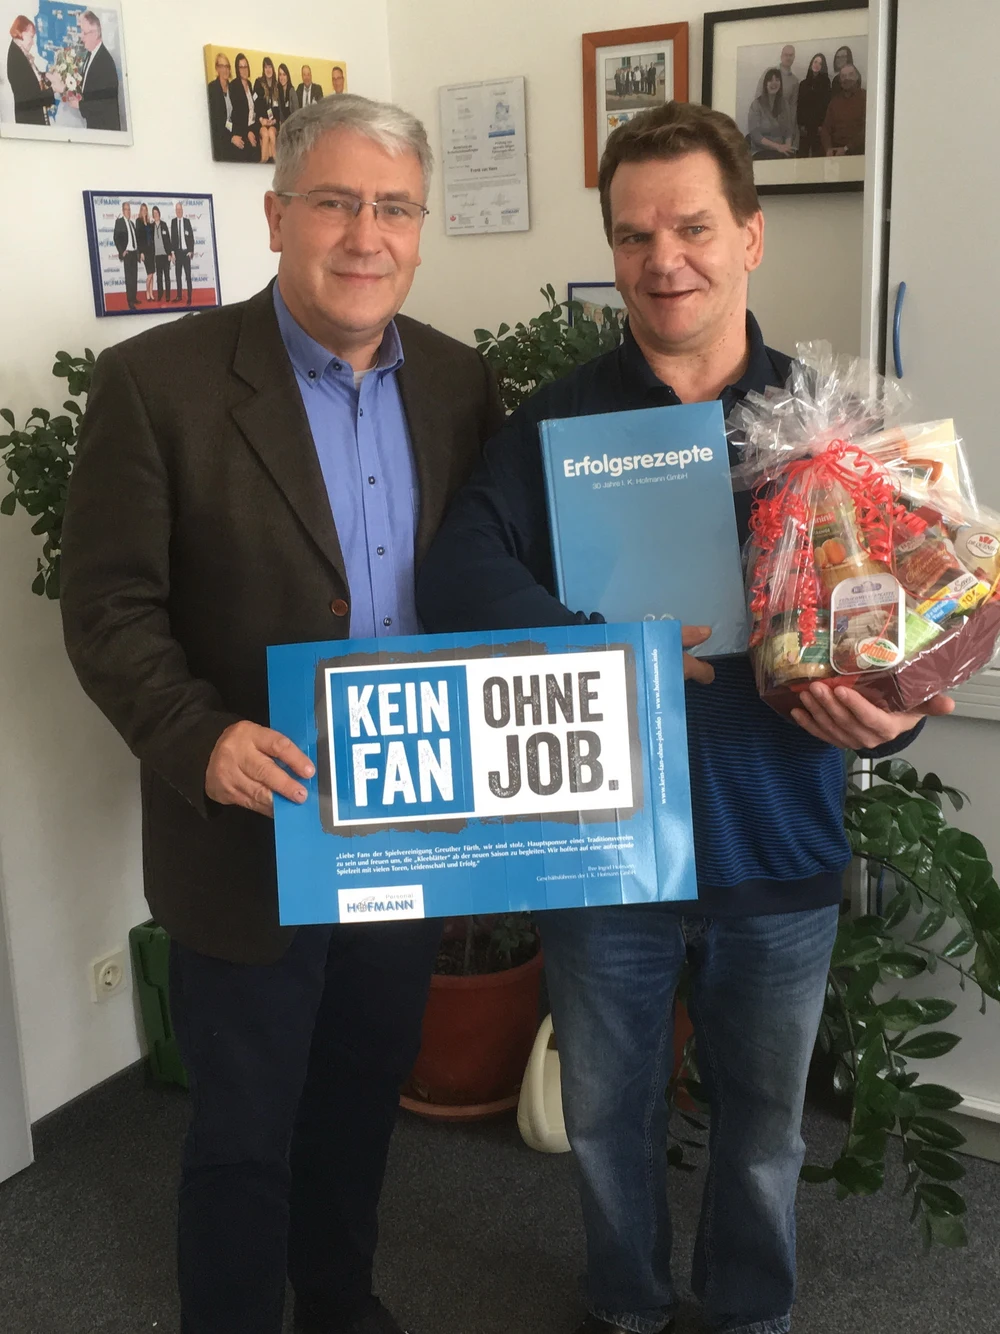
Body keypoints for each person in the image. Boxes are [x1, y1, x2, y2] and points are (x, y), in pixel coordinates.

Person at [415, 99, 954, 1334]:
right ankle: (626, 1305)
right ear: (612, 247)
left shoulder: (829, 431)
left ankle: (751, 1309)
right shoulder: (558, 421)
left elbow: (900, 624)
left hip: (776, 842)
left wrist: (894, 718)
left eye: (694, 227)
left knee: (763, 1131)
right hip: (604, 846)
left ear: (749, 236)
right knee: (608, 1119)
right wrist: (601, 644)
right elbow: (457, 574)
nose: (664, 260)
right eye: (634, 234)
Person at [59, 92, 504, 1334]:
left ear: (420, 228)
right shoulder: (156, 384)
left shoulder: (459, 382)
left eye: (395, 208)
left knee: (359, 1094)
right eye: (337, 202)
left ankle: (339, 1297)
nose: (367, 235)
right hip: (248, 831)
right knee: (244, 1127)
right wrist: (200, 738)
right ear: (275, 215)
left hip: (405, 826)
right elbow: (107, 608)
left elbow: (494, 570)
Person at [66, 9, 121, 132]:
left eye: (84, 33)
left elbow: (105, 103)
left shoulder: (105, 62)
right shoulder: (91, 55)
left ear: (95, 34)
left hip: (105, 131)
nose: (81, 36)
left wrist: (80, 105)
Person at [6, 16, 55, 125]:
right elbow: (32, 100)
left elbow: (30, 78)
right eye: (31, 37)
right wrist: (54, 90)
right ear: (22, 34)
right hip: (30, 120)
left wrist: (46, 75)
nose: (33, 42)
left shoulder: (18, 51)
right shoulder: (17, 59)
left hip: (30, 118)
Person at [747, 67, 794, 159]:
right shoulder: (756, 104)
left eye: (777, 80)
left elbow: (788, 131)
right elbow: (755, 135)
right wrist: (777, 147)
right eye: (770, 80)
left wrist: (787, 147)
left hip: (781, 150)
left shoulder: (784, 104)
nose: (774, 83)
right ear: (765, 84)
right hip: (761, 150)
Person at [820, 63, 866, 156]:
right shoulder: (835, 101)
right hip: (836, 152)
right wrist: (828, 148)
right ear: (840, 80)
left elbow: (867, 130)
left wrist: (846, 148)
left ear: (857, 77)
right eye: (843, 76)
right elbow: (826, 128)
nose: (847, 79)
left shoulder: (866, 98)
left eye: (850, 75)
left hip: (858, 152)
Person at [207, 51, 243, 161]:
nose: (225, 69)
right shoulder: (212, 89)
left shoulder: (232, 88)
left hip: (233, 132)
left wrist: (237, 135)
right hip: (221, 138)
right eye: (222, 66)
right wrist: (231, 138)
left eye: (227, 66)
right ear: (217, 68)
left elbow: (236, 115)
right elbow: (215, 121)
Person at [796, 52, 831, 158]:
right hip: (805, 126)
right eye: (815, 62)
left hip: (819, 126)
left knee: (818, 155)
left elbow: (825, 105)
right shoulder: (803, 84)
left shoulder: (826, 83)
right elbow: (800, 105)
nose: (817, 65)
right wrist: (801, 124)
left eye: (820, 63)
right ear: (811, 63)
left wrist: (822, 125)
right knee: (802, 155)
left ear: (823, 67)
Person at [112, 201, 139, 311]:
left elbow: (135, 239)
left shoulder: (132, 223)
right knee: (129, 278)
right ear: (123, 211)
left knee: (134, 277)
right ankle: (130, 301)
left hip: (134, 253)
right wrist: (121, 251)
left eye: (129, 209)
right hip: (127, 254)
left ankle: (134, 297)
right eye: (126, 209)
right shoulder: (119, 222)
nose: (128, 211)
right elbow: (116, 238)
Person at [255, 56, 280, 163]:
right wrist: (261, 120)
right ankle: (263, 161)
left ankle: (275, 160)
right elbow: (255, 104)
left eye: (270, 67)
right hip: (261, 122)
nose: (268, 70)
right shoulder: (258, 82)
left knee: (271, 133)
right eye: (266, 67)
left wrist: (274, 121)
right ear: (263, 69)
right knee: (265, 134)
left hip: (274, 122)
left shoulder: (277, 85)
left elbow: (279, 109)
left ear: (273, 68)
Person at [171, 202, 194, 306]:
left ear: (182, 210)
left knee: (188, 276)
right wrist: (172, 253)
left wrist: (190, 251)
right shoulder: (173, 222)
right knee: (178, 276)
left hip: (186, 253)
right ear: (175, 211)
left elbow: (191, 237)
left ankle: (189, 297)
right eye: (177, 210)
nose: (179, 211)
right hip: (177, 253)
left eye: (180, 209)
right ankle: (179, 296)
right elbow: (173, 239)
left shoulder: (187, 222)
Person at [150, 204, 172, 302]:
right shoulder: (151, 227)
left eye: (157, 213)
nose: (156, 215)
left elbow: (168, 239)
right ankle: (160, 294)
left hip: (165, 255)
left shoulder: (164, 225)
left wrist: (170, 254)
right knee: (159, 277)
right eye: (154, 213)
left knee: (167, 276)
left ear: (159, 214)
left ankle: (168, 295)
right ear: (153, 215)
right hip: (157, 256)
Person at [135, 202, 156, 304]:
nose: (144, 211)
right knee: (150, 273)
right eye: (142, 210)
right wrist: (141, 252)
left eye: (145, 210)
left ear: (147, 211)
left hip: (151, 250)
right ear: (140, 211)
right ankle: (147, 291)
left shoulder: (149, 222)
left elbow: (153, 235)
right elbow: (138, 238)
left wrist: (151, 223)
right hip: (145, 251)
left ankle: (151, 293)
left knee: (152, 273)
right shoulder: (138, 221)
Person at [276, 61, 298, 131]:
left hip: (293, 126)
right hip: (283, 126)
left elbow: (296, 113)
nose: (282, 77)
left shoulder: (292, 91)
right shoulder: (278, 91)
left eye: (284, 74)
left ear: (288, 76)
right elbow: (280, 113)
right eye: (280, 75)